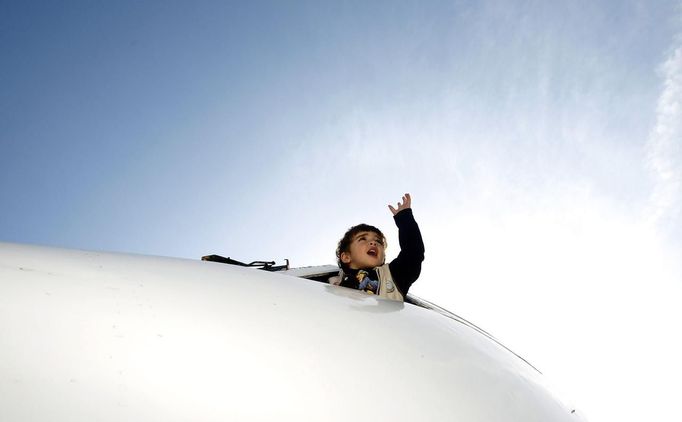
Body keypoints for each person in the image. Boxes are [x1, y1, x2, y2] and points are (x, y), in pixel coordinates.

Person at [333, 193, 425, 301]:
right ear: (346, 257)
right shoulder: (333, 282)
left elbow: (413, 252)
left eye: (378, 241)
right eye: (363, 239)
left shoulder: (393, 274)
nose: (373, 243)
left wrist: (404, 218)